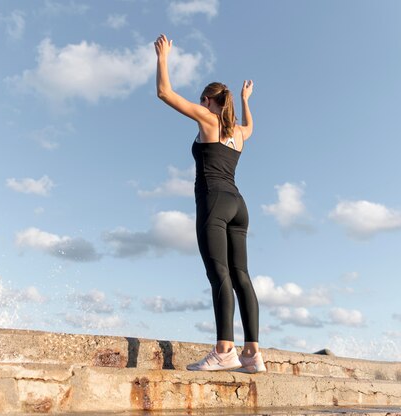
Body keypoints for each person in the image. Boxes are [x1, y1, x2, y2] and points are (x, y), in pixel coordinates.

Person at [154, 34, 266, 373]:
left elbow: (165, 93)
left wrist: (163, 57)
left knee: (219, 274)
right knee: (242, 275)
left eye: (204, 101)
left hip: (214, 201)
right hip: (239, 205)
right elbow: (251, 126)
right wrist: (247, 100)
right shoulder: (238, 134)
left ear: (208, 101)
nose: (201, 105)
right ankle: (252, 354)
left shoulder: (209, 121)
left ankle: (223, 350)